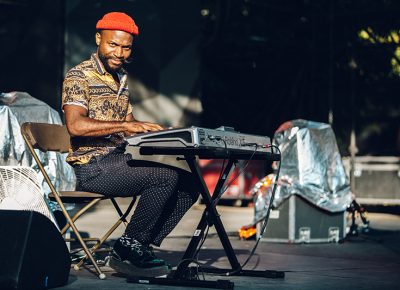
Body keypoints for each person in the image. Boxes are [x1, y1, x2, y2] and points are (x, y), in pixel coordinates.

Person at [61, 12, 200, 277]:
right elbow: (76, 125)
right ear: (98, 39)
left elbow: (129, 124)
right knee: (163, 176)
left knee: (189, 184)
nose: (120, 52)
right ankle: (127, 246)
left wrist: (160, 132)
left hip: (119, 160)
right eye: (113, 45)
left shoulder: (121, 77)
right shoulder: (79, 76)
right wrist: (126, 126)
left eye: (126, 47)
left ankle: (140, 245)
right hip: (92, 167)